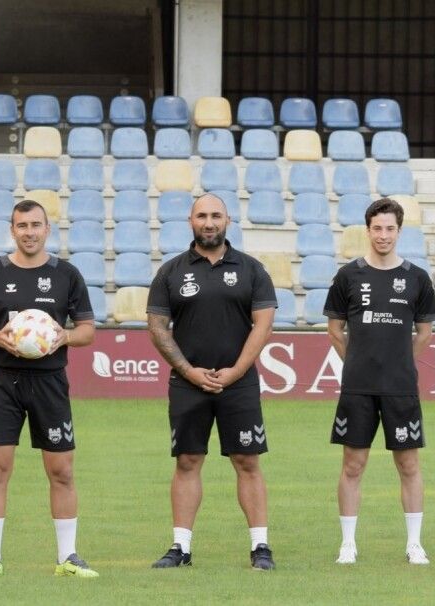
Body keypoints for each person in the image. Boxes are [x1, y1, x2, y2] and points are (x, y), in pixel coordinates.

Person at [0, 200, 97, 580]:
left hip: (50, 382)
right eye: (22, 225)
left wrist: (63, 336)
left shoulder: (66, 274)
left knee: (62, 470)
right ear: (12, 229)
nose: (29, 232)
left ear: (47, 229)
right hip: (3, 381)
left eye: (36, 224)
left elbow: (87, 329)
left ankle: (68, 557)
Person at [146, 193, 278, 571]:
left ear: (228, 221)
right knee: (187, 460)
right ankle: (181, 548)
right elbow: (157, 327)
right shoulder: (171, 271)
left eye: (215, 216)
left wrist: (236, 370)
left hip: (239, 383)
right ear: (190, 221)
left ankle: (260, 547)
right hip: (188, 383)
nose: (209, 222)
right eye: (202, 216)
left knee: (247, 461)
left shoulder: (253, 269)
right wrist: (188, 370)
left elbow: (263, 324)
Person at [323, 198, 435, 565]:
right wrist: (357, 361)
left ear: (399, 232)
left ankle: (414, 544)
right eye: (377, 228)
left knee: (408, 465)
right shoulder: (348, 276)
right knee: (353, 464)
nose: (383, 235)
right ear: (367, 230)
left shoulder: (417, 278)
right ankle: (347, 544)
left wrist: (398, 361)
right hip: (358, 386)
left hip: (400, 387)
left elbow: (424, 333)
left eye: (390, 228)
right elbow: (335, 329)